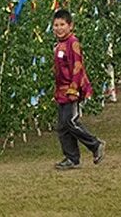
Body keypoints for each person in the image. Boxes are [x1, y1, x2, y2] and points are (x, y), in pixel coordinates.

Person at [51, 9, 105, 170]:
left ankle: (95, 145)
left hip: (72, 90)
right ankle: (71, 158)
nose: (59, 28)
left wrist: (74, 89)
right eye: (56, 25)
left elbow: (77, 66)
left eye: (62, 24)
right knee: (62, 126)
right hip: (61, 90)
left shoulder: (72, 42)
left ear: (70, 26)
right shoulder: (59, 45)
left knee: (70, 121)